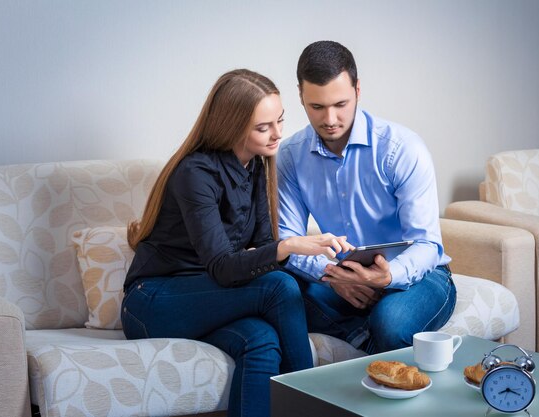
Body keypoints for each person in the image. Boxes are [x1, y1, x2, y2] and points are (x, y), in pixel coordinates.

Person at [122, 69, 352, 417]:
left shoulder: (255, 167)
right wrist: (288, 246)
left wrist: (327, 266)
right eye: (264, 127)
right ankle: (314, 404)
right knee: (278, 286)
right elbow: (224, 268)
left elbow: (260, 247)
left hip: (209, 298)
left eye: (280, 121)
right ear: (232, 126)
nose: (278, 134)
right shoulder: (195, 173)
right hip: (153, 303)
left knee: (261, 341)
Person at [277, 40, 456, 355]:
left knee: (391, 321)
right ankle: (367, 340)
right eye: (317, 107)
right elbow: (288, 241)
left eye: (341, 104)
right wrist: (332, 275)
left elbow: (427, 245)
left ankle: (370, 334)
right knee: (276, 292)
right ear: (301, 96)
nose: (330, 119)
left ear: (358, 90)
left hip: (417, 276)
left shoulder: (402, 149)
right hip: (342, 275)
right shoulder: (291, 156)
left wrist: (388, 277)